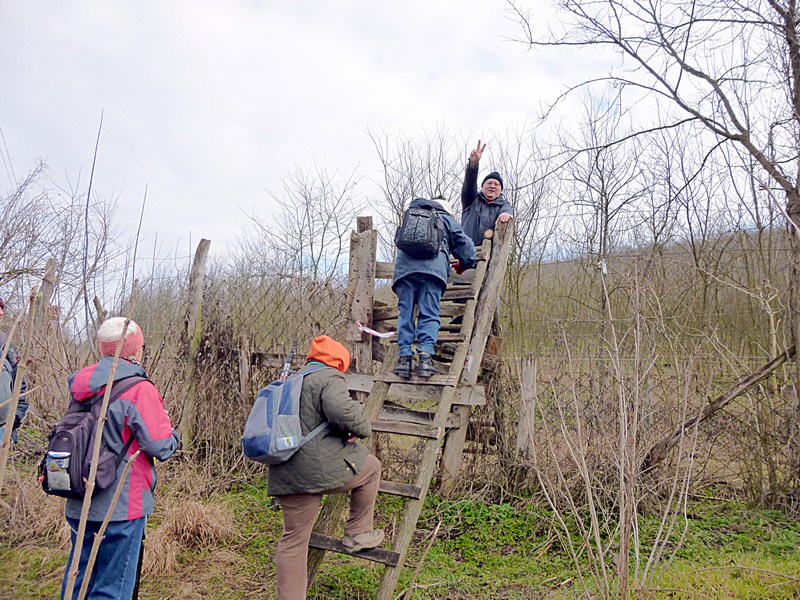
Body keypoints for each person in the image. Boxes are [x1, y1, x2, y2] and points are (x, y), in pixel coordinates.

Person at [61, 317, 180, 600]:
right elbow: (161, 446)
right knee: (113, 589)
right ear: (134, 349)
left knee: (79, 582)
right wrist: (173, 435)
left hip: (80, 497)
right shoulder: (139, 388)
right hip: (122, 505)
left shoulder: (81, 385)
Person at [268, 334, 383, 600]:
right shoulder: (328, 378)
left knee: (293, 542)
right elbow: (341, 410)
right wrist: (362, 427)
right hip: (314, 471)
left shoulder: (291, 381)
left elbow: (308, 421)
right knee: (372, 468)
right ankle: (357, 532)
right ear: (338, 363)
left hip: (284, 470)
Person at [392, 197, 477, 378]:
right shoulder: (445, 218)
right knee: (429, 313)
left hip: (404, 271)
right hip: (432, 272)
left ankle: (404, 359)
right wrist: (465, 263)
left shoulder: (411, 215)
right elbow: (467, 249)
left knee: (405, 312)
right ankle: (425, 358)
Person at [460, 140, 514, 246]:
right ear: (482, 186)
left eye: (496, 184)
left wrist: (506, 214)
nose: (492, 186)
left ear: (501, 190)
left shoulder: (503, 205)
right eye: (489, 183)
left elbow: (506, 210)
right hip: (465, 253)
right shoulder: (471, 200)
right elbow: (469, 183)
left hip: (491, 257)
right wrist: (473, 165)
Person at [0, 296, 28, 444]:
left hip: (3, 429)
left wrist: (16, 417)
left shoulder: (4, 343)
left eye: (2, 308)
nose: (1, 312)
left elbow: (19, 384)